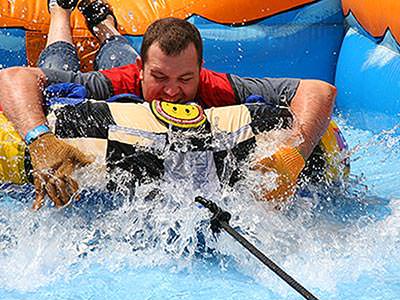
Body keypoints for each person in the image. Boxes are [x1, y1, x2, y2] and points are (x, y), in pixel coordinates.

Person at [0, 0, 336, 210]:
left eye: (185, 79)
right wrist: (40, 138)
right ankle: (61, 9)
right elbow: (14, 78)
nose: (173, 92)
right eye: (159, 78)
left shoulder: (216, 86)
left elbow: (319, 90)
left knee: (116, 48)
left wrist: (294, 151)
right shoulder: (120, 81)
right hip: (108, 86)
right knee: (63, 63)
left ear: (200, 70)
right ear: (142, 71)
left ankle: (105, 26)